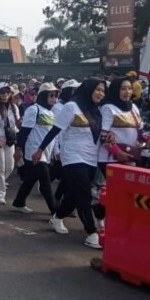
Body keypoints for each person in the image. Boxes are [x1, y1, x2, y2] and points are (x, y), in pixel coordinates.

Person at [34, 78, 106, 249]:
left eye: (103, 91)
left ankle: (57, 217)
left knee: (75, 193)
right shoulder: (71, 107)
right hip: (72, 156)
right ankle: (91, 232)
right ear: (88, 89)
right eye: (97, 90)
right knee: (84, 194)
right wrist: (40, 150)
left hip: (91, 156)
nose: (100, 94)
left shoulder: (97, 110)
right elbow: (55, 130)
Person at [11, 82, 59, 215]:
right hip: (34, 151)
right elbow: (24, 131)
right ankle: (55, 210)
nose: (54, 99)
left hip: (46, 152)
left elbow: (52, 136)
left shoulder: (51, 113)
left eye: (55, 96)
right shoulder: (34, 109)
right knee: (45, 181)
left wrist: (56, 152)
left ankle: (19, 202)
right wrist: (19, 148)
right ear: (43, 96)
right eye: (51, 95)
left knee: (31, 179)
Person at [0, 82, 19, 206]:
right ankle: (0, 194)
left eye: (7, 92)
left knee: (10, 167)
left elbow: (16, 125)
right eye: (2, 92)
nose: (5, 95)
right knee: (0, 166)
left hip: (9, 140)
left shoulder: (14, 107)